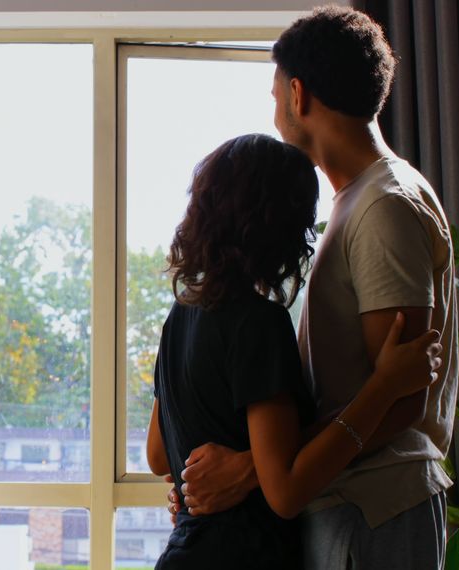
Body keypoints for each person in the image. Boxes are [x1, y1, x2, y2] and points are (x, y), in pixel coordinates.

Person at [165, 6, 459, 569]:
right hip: (345, 505)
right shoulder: (356, 202)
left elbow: (402, 394)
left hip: (374, 509)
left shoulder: (384, 206)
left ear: (298, 95)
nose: (275, 113)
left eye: (274, 97)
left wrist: (253, 468)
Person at [146, 133, 442, 569]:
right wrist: (385, 384)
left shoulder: (181, 314)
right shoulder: (258, 323)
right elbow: (284, 490)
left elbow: (157, 455)